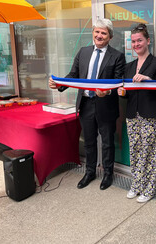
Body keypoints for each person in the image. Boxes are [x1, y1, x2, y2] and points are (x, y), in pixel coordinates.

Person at [49, 19, 125, 190]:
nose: (99, 35)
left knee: (107, 143)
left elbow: (119, 82)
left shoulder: (117, 56)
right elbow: (73, 74)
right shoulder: (83, 52)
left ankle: (107, 174)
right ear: (93, 33)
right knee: (89, 141)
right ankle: (90, 172)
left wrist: (107, 92)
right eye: (97, 32)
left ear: (110, 37)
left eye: (103, 33)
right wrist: (59, 84)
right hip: (85, 104)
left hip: (106, 106)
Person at [117, 24, 156, 203]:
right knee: (135, 150)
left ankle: (149, 188)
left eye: (139, 40)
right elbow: (128, 92)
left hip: (150, 115)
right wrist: (122, 92)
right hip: (132, 115)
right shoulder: (129, 66)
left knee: (150, 152)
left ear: (148, 41)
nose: (136, 44)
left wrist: (148, 80)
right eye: (133, 41)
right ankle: (136, 184)